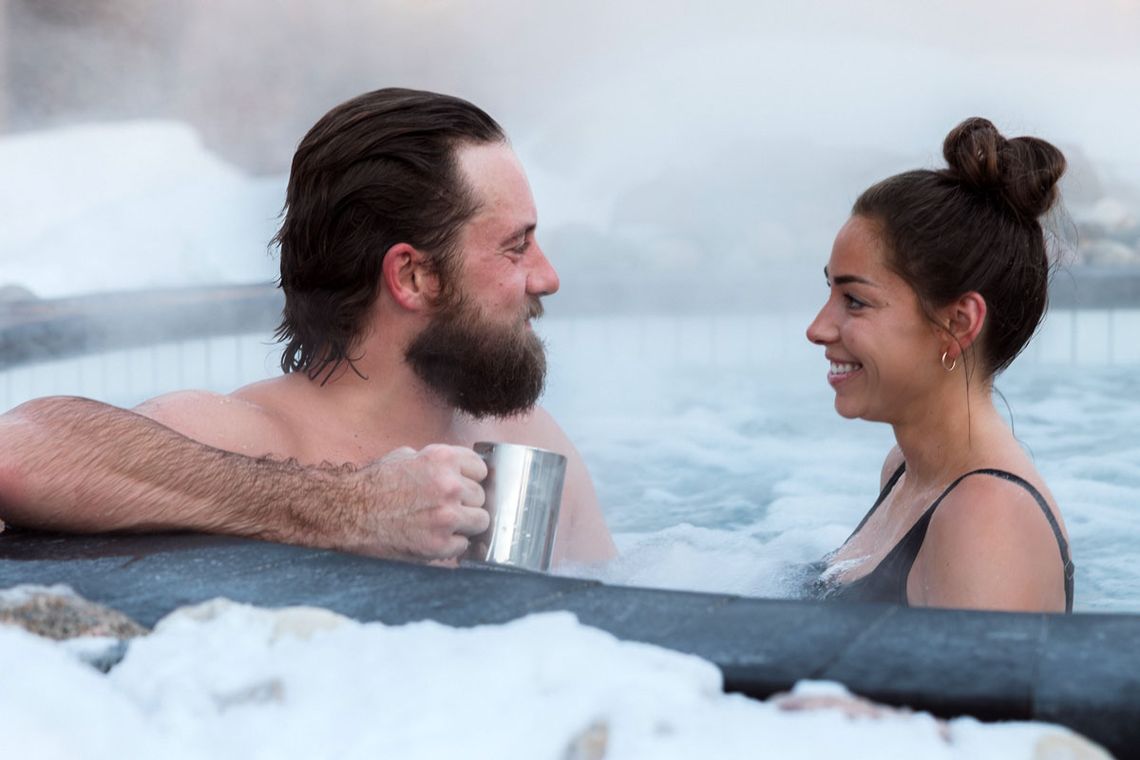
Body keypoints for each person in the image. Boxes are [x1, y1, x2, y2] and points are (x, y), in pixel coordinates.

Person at [0, 88, 616, 566]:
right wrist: (352, 508)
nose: (548, 277)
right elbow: (18, 453)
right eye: (515, 247)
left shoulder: (527, 438)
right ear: (413, 277)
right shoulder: (244, 435)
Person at [804, 117, 1074, 612]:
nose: (818, 328)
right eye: (830, 292)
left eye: (855, 301)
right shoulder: (906, 472)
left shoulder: (986, 518)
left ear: (957, 323)